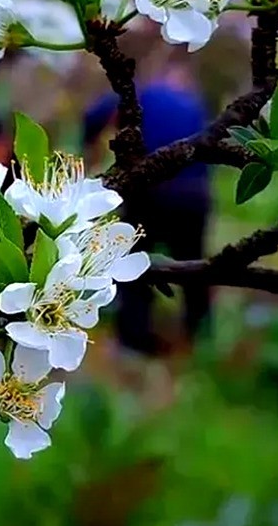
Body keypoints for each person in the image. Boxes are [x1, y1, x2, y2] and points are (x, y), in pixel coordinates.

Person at [83, 57, 212, 355]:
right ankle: (199, 330)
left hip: (149, 192)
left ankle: (133, 339)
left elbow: (93, 115)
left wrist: (88, 146)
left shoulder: (143, 94)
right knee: (194, 264)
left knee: (134, 266)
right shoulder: (194, 105)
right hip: (194, 195)